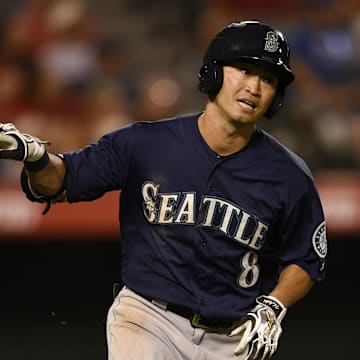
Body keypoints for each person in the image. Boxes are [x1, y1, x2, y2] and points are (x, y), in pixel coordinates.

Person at [0, 20, 327, 360]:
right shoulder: (145, 143)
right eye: (244, 70)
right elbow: (63, 181)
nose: (255, 87)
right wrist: (36, 158)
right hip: (148, 320)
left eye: (268, 79)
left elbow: (305, 257)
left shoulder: (289, 175)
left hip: (234, 336)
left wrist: (275, 305)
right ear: (213, 73)